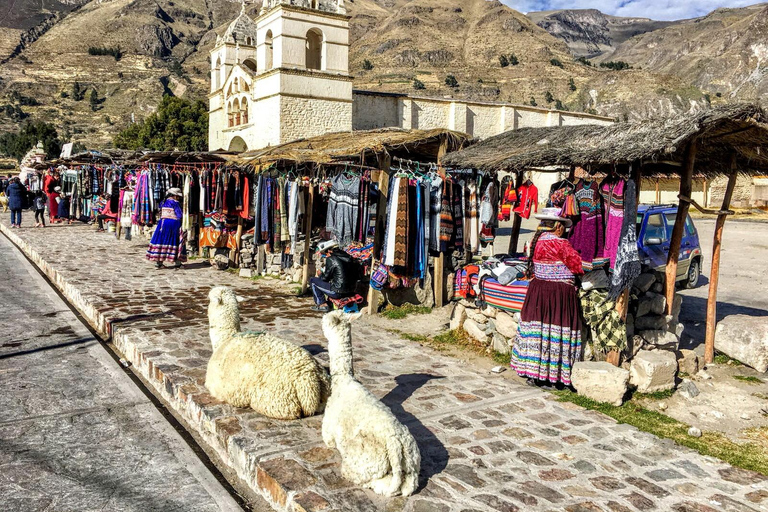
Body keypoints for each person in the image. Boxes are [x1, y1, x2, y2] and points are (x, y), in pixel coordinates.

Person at [510, 207, 585, 388]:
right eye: (563, 227)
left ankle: (535, 374)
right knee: (554, 331)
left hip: (538, 292)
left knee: (539, 331)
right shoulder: (561, 244)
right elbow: (578, 266)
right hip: (557, 294)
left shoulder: (536, 242)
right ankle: (554, 375)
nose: (564, 231)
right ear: (558, 226)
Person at [309, 240, 360, 312]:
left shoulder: (331, 259)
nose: (326, 255)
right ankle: (328, 303)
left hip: (338, 292)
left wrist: (321, 274)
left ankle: (321, 304)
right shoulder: (349, 257)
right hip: (351, 291)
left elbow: (325, 278)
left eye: (326, 253)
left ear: (330, 251)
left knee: (313, 281)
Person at [146, 188, 187, 269]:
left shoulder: (163, 202)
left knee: (161, 241)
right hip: (173, 224)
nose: (178, 198)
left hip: (162, 224)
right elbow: (179, 215)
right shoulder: (175, 203)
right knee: (175, 242)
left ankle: (159, 263)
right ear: (174, 195)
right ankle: (178, 263)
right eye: (177, 196)